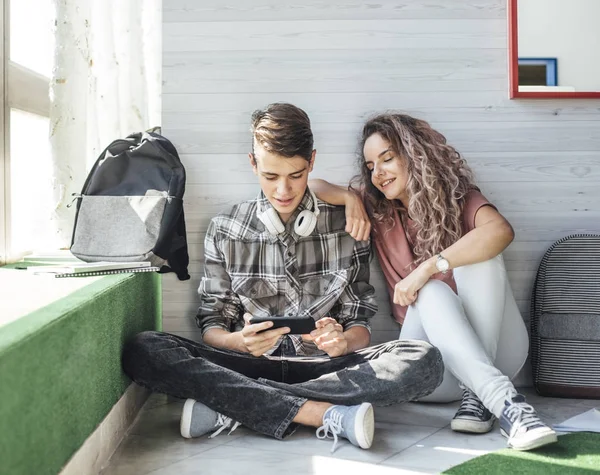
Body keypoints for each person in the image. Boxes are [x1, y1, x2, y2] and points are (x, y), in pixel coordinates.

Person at [122, 103, 444, 453]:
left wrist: (344, 342)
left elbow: (360, 319)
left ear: (312, 162)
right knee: (145, 349)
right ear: (253, 163)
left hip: (326, 370)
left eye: (296, 175)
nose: (283, 191)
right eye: (271, 176)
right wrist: (239, 343)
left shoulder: (347, 226)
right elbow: (213, 322)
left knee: (422, 360)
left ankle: (235, 406)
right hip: (246, 364)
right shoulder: (226, 228)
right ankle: (322, 414)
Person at [310, 112, 558, 452]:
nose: (377, 173)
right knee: (430, 292)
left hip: (500, 351)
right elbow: (310, 185)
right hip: (432, 368)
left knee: (480, 255)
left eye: (387, 158)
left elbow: (501, 231)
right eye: (370, 166)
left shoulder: (460, 198)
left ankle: (481, 396)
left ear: (414, 154)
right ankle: (507, 406)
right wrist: (351, 197)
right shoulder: (378, 207)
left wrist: (429, 265)